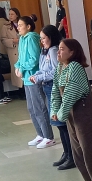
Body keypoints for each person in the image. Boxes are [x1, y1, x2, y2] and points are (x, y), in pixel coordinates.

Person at [53, 39, 92, 181]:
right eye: (59, 48)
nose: (58, 52)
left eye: (62, 49)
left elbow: (70, 94)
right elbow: (55, 91)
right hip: (71, 116)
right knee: (78, 155)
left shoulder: (75, 67)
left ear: (72, 52)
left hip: (84, 115)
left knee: (90, 153)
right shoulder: (60, 67)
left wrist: (60, 114)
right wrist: (54, 110)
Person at [16, 15, 55, 148]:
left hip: (34, 77)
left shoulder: (32, 37)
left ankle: (48, 136)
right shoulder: (22, 39)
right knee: (31, 108)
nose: (18, 27)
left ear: (28, 26)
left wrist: (22, 68)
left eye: (20, 25)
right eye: (18, 25)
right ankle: (40, 134)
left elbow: (34, 59)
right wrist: (17, 66)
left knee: (39, 107)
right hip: (26, 78)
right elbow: (21, 57)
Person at [35, 25, 70, 166]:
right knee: (58, 123)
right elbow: (43, 68)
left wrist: (40, 77)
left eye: (44, 38)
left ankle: (71, 155)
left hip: (53, 88)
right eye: (41, 38)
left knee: (62, 123)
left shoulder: (54, 50)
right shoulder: (45, 51)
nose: (42, 41)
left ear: (51, 37)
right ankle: (66, 153)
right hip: (47, 87)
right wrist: (37, 75)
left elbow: (56, 71)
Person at [0, 7, 22, 90]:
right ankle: (20, 90)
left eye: (12, 14)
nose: (10, 16)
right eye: (9, 14)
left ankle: (26, 89)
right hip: (13, 50)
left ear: (17, 15)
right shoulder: (6, 26)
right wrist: (12, 41)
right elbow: (3, 40)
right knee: (17, 70)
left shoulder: (22, 24)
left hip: (22, 48)